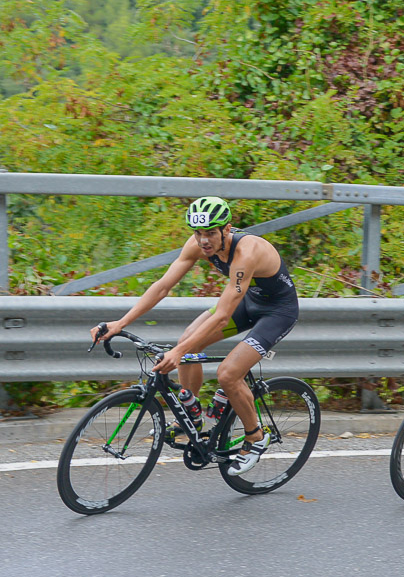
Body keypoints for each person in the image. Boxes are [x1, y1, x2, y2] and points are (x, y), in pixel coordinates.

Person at [90, 197, 300, 475]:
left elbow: (222, 316)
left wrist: (177, 353)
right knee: (187, 343)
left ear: (226, 229)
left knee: (227, 373)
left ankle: (256, 438)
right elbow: (163, 286)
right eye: (198, 233)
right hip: (248, 302)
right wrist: (121, 322)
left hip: (277, 312)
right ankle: (193, 417)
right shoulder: (198, 244)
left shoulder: (247, 251)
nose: (203, 241)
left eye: (211, 233)